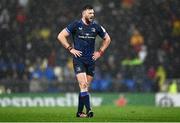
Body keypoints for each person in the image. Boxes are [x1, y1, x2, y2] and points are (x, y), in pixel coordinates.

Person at [57, 5, 111, 118]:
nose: (92, 15)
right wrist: (70, 49)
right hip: (79, 60)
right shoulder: (76, 25)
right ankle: (89, 110)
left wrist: (100, 52)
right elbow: (61, 36)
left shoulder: (96, 27)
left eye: (93, 13)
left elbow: (108, 39)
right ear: (84, 13)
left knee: (84, 88)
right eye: (90, 13)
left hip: (91, 61)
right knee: (83, 84)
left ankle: (79, 112)